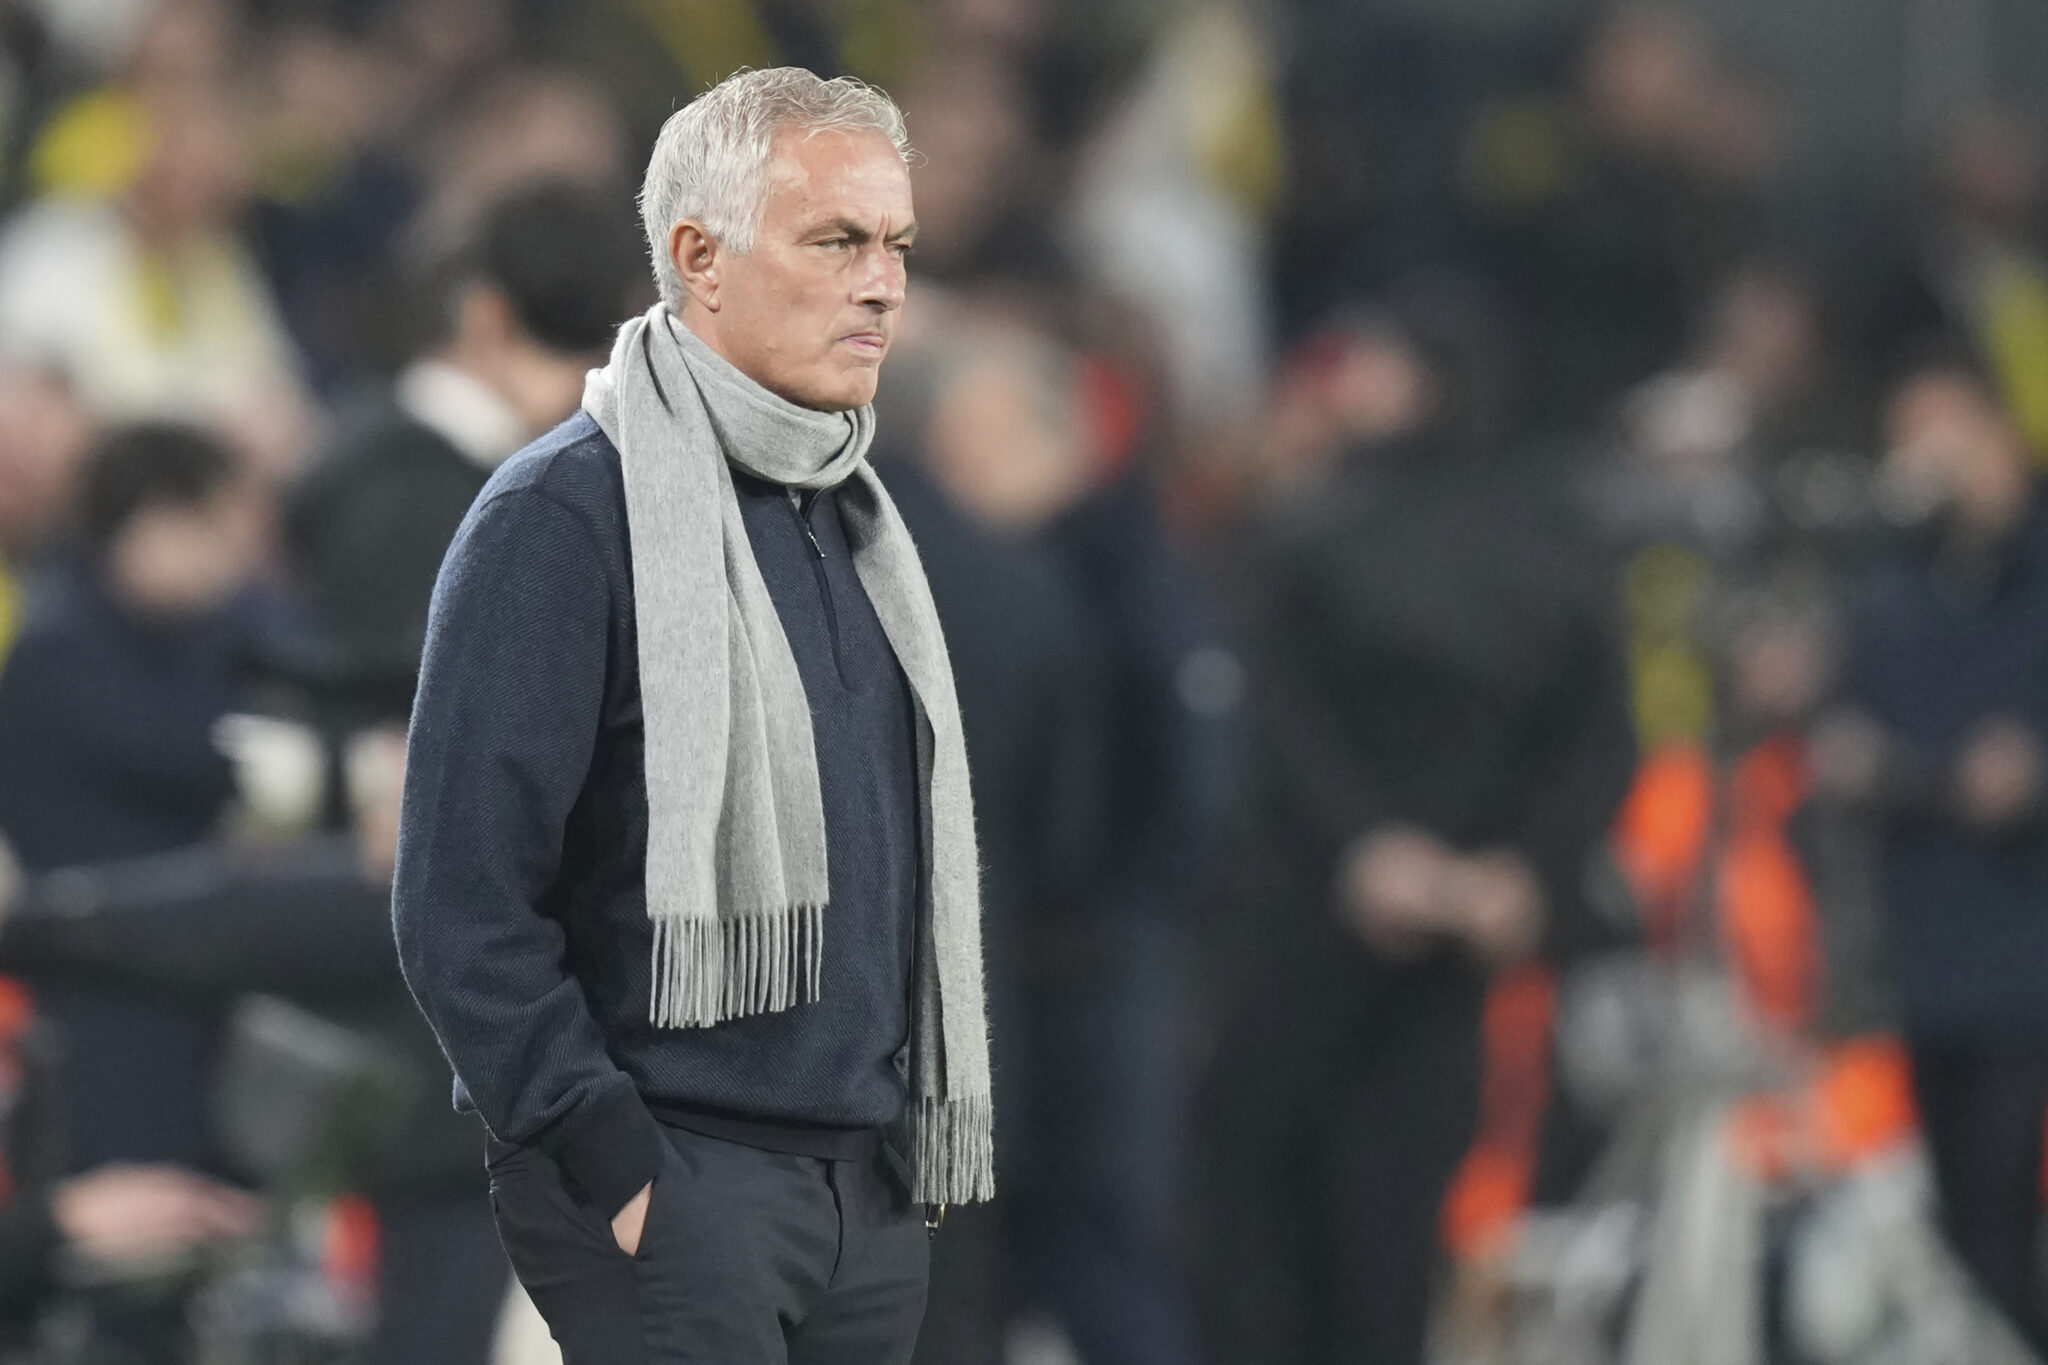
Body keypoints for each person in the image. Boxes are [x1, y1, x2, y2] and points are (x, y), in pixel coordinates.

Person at [393, 67, 993, 1364]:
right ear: (698, 257)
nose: (882, 285)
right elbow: (458, 904)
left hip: (861, 1191)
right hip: (677, 1180)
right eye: (836, 241)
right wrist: (610, 1157)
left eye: (896, 246)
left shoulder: (855, 512)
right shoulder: (560, 514)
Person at [1195, 305, 1636, 1365]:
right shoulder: (1558, 530)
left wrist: (1368, 850)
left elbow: (1276, 715)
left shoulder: (1311, 526)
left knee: (1264, 1196)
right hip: (1459, 920)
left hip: (1313, 912)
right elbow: (1600, 733)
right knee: (1393, 1212)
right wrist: (1521, 869)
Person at [1813, 354, 2048, 1351]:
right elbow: (1851, 727)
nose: (1921, 455)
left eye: (1939, 426)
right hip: (1929, 945)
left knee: (2007, 1201)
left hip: (2029, 938)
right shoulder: (1891, 585)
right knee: (1956, 1216)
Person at [285, 179, 647, 720]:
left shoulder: (372, 455)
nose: (587, 380)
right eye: (572, 345)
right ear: (487, 317)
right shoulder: (399, 489)